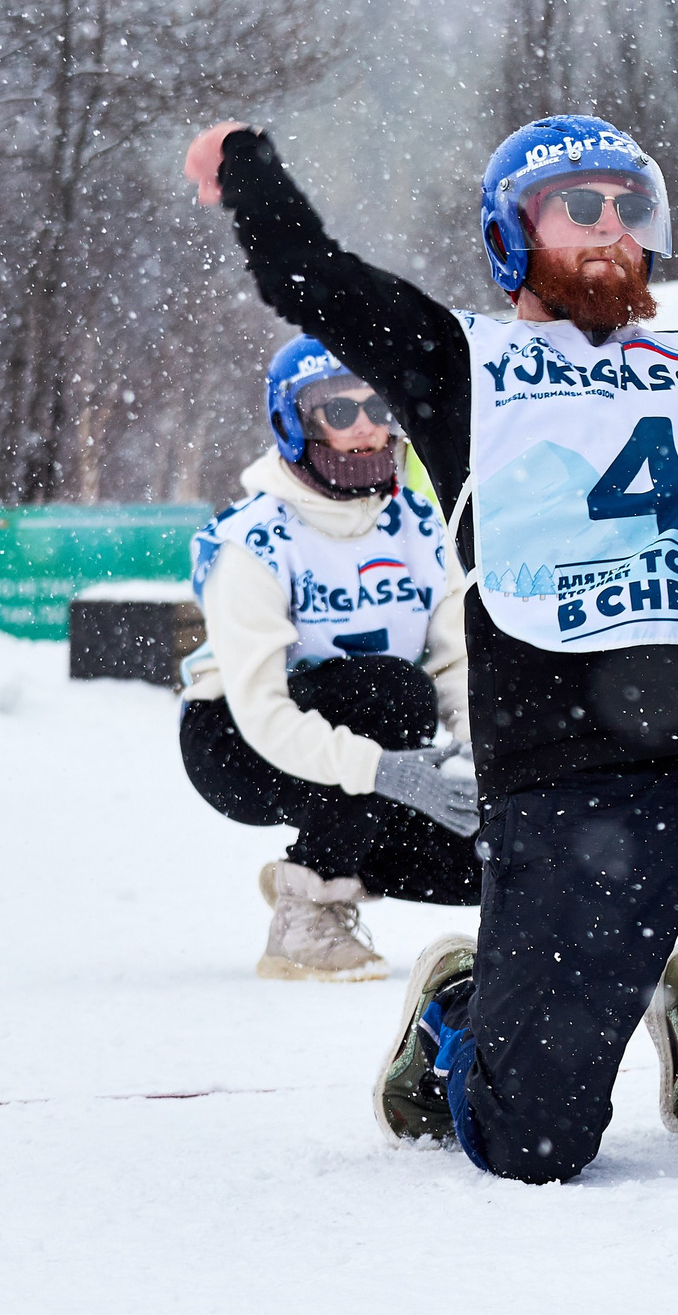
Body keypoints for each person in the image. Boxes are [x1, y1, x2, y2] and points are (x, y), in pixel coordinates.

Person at [182, 112, 678, 1181]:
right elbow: (312, 279)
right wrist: (247, 169)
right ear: (512, 236)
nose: (609, 228)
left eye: (629, 205)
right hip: (567, 789)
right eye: (578, 207)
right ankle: (457, 1013)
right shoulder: (462, 365)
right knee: (533, 1148)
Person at [179, 334, 481, 983]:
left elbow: (458, 666)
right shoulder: (254, 541)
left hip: (368, 747)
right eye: (339, 412)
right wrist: (385, 772)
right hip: (235, 742)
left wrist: (490, 764)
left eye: (378, 406)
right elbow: (261, 709)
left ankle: (326, 863)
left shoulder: (419, 525)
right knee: (394, 691)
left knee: (487, 854)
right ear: (296, 424)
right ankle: (307, 911)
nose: (367, 428)